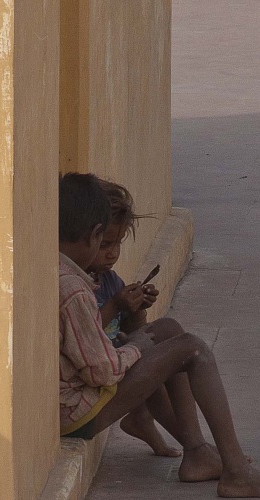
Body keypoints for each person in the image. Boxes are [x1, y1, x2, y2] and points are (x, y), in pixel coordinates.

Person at [57, 172, 260, 498]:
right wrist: (137, 347)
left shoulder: (56, 271)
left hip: (74, 394)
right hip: (78, 412)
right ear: (94, 234)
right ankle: (237, 471)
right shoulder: (72, 289)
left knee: (168, 331)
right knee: (192, 350)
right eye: (105, 242)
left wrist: (135, 331)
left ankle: (197, 452)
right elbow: (104, 371)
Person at [88, 179, 181, 458]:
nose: (112, 253)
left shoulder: (109, 280)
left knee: (168, 342)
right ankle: (193, 444)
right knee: (160, 364)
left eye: (117, 244)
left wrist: (137, 306)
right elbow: (86, 330)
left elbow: (132, 327)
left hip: (119, 359)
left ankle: (188, 439)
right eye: (105, 244)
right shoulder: (75, 285)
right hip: (101, 373)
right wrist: (116, 304)